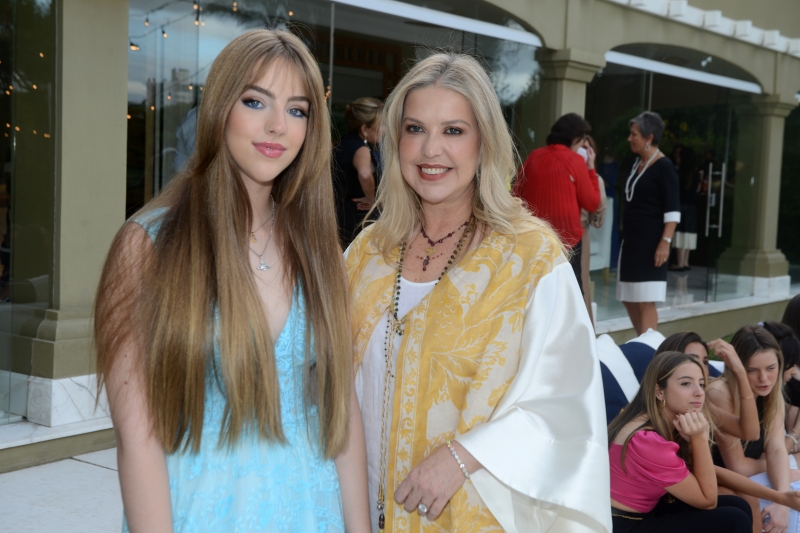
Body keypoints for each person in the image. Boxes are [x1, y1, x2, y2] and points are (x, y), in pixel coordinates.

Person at [94, 30, 369, 533]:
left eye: (297, 110)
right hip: (199, 512)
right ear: (221, 107)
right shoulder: (146, 246)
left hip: (313, 510)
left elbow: (340, 410)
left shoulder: (321, 250)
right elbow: (138, 439)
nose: (277, 125)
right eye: (255, 101)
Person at [347, 53, 610, 532]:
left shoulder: (530, 259)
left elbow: (569, 407)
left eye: (453, 130)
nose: (431, 149)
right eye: (414, 129)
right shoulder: (367, 253)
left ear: (483, 141)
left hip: (473, 515)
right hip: (358, 513)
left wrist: (465, 455)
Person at [608, 350, 751, 532]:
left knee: (736, 504)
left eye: (701, 384)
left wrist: (778, 497)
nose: (699, 393)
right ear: (659, 391)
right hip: (624, 524)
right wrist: (699, 439)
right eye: (686, 383)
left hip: (644, 512)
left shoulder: (654, 422)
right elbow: (707, 500)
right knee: (734, 519)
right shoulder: (645, 440)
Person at [709, 325, 798, 533]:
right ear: (737, 369)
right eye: (752, 370)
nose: (764, 379)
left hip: (752, 479)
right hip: (726, 484)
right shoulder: (720, 392)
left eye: (771, 368)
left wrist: (784, 502)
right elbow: (738, 467)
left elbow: (776, 449)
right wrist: (785, 464)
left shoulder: (771, 394)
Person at [514, 112, 600, 295]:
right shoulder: (576, 161)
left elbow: (516, 194)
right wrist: (591, 168)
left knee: (535, 294)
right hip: (568, 241)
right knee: (569, 295)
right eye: (583, 138)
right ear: (575, 138)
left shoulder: (534, 156)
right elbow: (592, 203)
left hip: (533, 239)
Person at [617, 111, 680, 335]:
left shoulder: (664, 167)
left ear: (649, 137)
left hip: (652, 244)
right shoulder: (638, 164)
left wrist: (665, 242)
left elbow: (673, 210)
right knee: (629, 297)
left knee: (645, 299)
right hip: (632, 242)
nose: (629, 138)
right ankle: (643, 340)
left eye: (634, 134)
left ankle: (648, 348)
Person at [657, 332, 760, 441]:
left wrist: (740, 371)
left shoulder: (702, 406)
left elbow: (751, 434)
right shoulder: (648, 431)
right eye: (693, 360)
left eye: (705, 362)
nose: (701, 368)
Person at [333, 97, 384, 247]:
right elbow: (365, 174)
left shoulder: (344, 142)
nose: (385, 130)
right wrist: (372, 198)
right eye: (381, 125)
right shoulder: (361, 149)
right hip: (355, 218)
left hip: (340, 213)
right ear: (365, 129)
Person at [670, 145, 700, 271]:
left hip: (681, 206)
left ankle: (680, 262)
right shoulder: (696, 174)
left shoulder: (679, 173)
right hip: (692, 207)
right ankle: (685, 261)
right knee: (689, 233)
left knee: (680, 233)